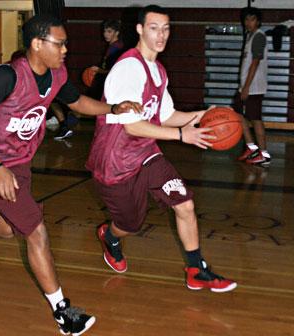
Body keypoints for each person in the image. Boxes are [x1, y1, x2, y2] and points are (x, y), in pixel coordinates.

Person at [0, 14, 140, 336]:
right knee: (37, 231)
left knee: (6, 229)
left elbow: (77, 102)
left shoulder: (57, 75)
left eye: (65, 44)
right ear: (36, 44)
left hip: (19, 163)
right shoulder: (6, 77)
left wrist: (113, 109)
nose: (65, 50)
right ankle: (63, 313)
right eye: (59, 44)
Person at [86, 5, 237, 293]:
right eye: (154, 27)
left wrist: (207, 113)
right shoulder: (129, 67)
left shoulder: (158, 70)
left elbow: (165, 115)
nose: (161, 34)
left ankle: (196, 269)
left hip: (146, 154)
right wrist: (182, 135)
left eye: (166, 28)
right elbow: (133, 126)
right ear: (140, 30)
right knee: (130, 225)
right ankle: (111, 236)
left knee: (185, 204)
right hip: (115, 162)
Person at [234, 7, 271, 166]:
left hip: (254, 87)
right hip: (246, 86)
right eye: (246, 19)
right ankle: (251, 147)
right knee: (238, 115)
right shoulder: (250, 36)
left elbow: (255, 63)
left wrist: (247, 87)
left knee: (255, 119)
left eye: (252, 19)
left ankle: (264, 154)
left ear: (258, 21)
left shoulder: (258, 37)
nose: (248, 22)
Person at [88, 19, 125, 99]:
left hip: (113, 83)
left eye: (109, 31)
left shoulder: (116, 48)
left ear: (117, 33)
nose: (105, 34)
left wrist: (99, 70)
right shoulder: (113, 46)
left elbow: (114, 70)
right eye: (104, 31)